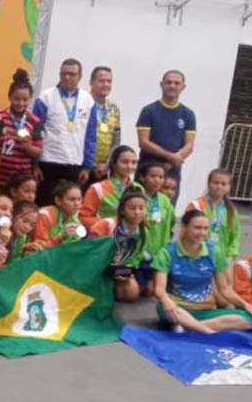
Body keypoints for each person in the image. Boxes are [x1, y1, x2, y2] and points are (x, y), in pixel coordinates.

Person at [153, 210, 252, 333]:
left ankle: (189, 328)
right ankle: (207, 331)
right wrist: (167, 302)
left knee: (248, 317)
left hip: (205, 311)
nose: (202, 233)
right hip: (177, 309)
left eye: (206, 229)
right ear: (184, 227)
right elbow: (159, 290)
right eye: (197, 228)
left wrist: (246, 305)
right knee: (164, 307)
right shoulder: (167, 252)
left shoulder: (214, 252)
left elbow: (225, 289)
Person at [33, 58, 95, 205]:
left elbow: (91, 135)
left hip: (74, 164)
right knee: (45, 206)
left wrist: (87, 166)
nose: (67, 77)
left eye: (72, 74)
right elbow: (36, 132)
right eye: (64, 74)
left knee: (70, 207)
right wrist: (34, 164)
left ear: (80, 76)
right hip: (48, 162)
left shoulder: (88, 100)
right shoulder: (45, 97)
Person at [136, 70, 196, 204]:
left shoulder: (188, 114)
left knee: (167, 209)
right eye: (168, 82)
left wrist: (171, 163)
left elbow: (189, 146)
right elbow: (143, 142)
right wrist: (171, 157)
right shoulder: (149, 111)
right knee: (141, 208)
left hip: (172, 171)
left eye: (176, 83)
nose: (172, 86)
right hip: (147, 169)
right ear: (161, 84)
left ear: (183, 87)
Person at [89, 189, 148, 301]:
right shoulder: (106, 225)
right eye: (132, 208)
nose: (137, 212)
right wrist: (108, 259)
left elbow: (135, 259)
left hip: (118, 270)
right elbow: (89, 250)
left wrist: (127, 272)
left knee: (133, 292)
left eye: (141, 208)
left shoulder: (143, 232)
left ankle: (113, 290)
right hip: (97, 269)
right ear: (122, 210)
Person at [0, 69, 43, 195]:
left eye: (25, 100)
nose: (21, 103)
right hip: (0, 176)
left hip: (22, 180)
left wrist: (28, 147)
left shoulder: (35, 121)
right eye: (17, 99)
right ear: (9, 96)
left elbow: (38, 152)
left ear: (30, 98)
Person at [186, 168, 240, 271]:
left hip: (222, 260)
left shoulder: (231, 210)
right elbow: (186, 233)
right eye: (215, 182)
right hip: (198, 258)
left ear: (229, 187)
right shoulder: (196, 205)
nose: (219, 186)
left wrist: (230, 257)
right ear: (208, 184)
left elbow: (235, 236)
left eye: (224, 184)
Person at [136, 162, 175, 296]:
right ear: (142, 178)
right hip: (139, 255)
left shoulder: (165, 200)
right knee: (136, 292)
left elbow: (170, 225)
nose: (157, 180)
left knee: (154, 290)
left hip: (158, 254)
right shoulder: (136, 197)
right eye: (153, 176)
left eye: (161, 177)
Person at [79, 145, 140, 229]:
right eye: (125, 162)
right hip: (105, 239)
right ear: (113, 163)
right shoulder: (97, 188)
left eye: (134, 162)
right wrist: (109, 223)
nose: (130, 166)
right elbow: (83, 218)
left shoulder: (139, 188)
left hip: (132, 238)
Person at [86, 66, 121, 183]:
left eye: (109, 81)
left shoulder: (114, 108)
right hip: (81, 166)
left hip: (103, 169)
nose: (106, 84)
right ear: (91, 82)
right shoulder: (83, 103)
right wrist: (89, 163)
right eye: (102, 81)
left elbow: (116, 142)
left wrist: (106, 164)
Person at [34, 180, 86, 248]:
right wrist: (61, 237)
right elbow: (39, 247)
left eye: (79, 199)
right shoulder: (45, 215)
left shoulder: (75, 218)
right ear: (58, 201)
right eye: (72, 199)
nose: (77, 203)